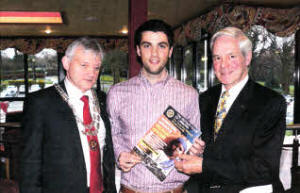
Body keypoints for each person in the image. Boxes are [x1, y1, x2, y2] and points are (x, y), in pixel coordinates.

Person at [174, 26, 286, 193]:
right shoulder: (205, 98)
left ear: (247, 58)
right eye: (217, 58)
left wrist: (204, 165)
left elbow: (264, 168)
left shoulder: (270, 102)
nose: (223, 65)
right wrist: (195, 151)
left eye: (231, 56)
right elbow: (213, 149)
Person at [107, 19, 203, 193]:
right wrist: (119, 155)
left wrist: (196, 150)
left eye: (161, 46)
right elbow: (114, 135)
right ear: (137, 50)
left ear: (170, 51)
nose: (154, 54)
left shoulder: (190, 95)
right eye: (147, 46)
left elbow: (194, 150)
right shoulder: (116, 93)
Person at [19, 37, 116, 193]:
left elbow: (107, 152)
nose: (91, 73)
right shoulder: (40, 103)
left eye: (96, 67)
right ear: (66, 63)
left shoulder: (103, 99)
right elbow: (29, 164)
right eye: (84, 65)